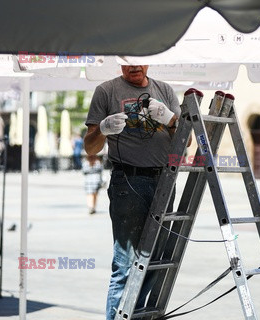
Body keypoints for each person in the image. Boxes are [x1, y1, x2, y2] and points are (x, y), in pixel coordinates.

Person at [83, 65, 182, 320]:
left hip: (163, 180)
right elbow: (90, 149)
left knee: (153, 260)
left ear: (148, 61)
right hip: (128, 179)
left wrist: (170, 119)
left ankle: (135, 316)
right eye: (128, 62)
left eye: (139, 61)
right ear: (120, 62)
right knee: (126, 264)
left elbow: (186, 142)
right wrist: (102, 130)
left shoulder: (165, 90)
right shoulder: (107, 91)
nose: (134, 67)